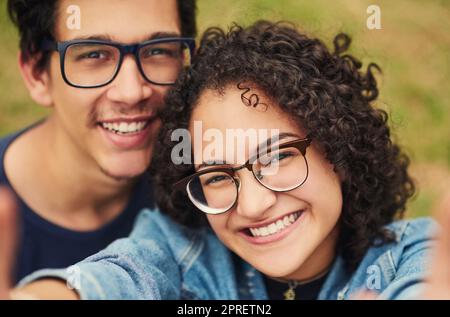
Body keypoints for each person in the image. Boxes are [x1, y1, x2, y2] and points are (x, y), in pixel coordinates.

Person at [1, 21, 448, 300]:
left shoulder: (413, 257)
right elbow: (119, 278)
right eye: (217, 175)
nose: (252, 206)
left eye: (275, 156)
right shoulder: (179, 251)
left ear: (339, 148)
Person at [1, 0, 196, 283]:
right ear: (37, 74)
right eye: (94, 54)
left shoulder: (212, 180)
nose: (131, 92)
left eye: (158, 51)